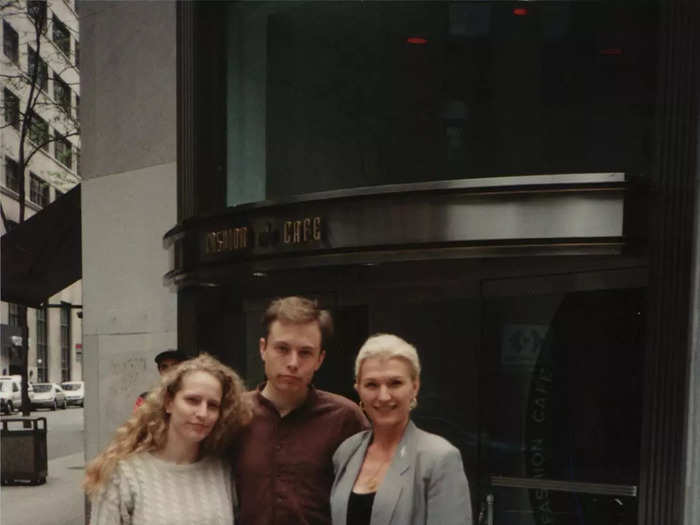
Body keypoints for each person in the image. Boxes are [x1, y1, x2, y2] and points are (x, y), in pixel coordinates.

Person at [230, 296, 368, 525]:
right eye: (282, 349)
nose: (293, 362)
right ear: (263, 349)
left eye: (305, 352)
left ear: (319, 360)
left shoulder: (345, 418)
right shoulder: (233, 414)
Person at [85, 354, 251, 525]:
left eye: (213, 405)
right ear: (168, 402)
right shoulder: (123, 474)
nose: (203, 413)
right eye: (192, 400)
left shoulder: (221, 470)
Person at [330, 334, 473, 525]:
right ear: (358, 389)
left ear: (414, 387)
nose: (383, 396)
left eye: (395, 383)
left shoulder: (439, 458)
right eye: (371, 384)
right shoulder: (347, 452)